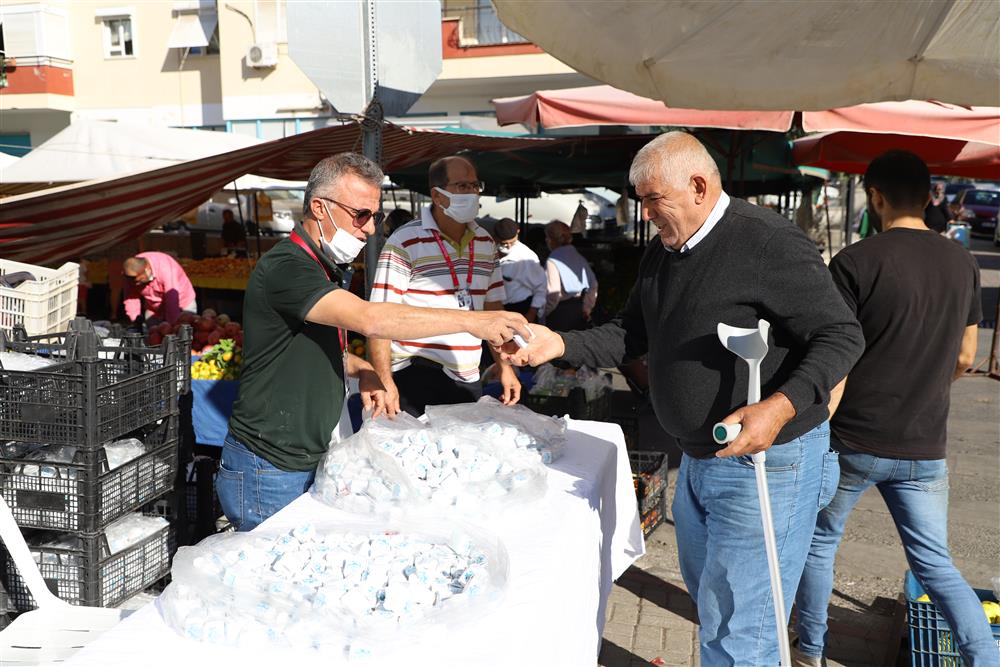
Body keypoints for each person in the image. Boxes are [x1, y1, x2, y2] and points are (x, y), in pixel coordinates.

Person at [501, 131, 864, 665]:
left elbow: (842, 335)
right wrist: (558, 343)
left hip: (765, 460)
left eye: (653, 199)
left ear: (698, 186)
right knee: (714, 608)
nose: (645, 213)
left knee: (746, 628)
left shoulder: (766, 241)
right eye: (640, 200)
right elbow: (632, 333)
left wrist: (779, 406)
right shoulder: (663, 251)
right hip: (697, 458)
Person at [219, 153, 529, 531]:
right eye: (360, 215)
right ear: (319, 207)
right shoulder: (288, 266)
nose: (369, 229)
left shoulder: (322, 267)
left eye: (375, 216)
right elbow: (372, 317)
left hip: (297, 457)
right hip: (268, 465)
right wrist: (473, 321)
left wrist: (361, 367)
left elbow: (304, 344)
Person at [793, 151, 995, 667]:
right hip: (925, 444)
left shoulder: (856, 262)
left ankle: (810, 652)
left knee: (820, 544)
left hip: (853, 440)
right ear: (930, 196)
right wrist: (926, 385)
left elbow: (833, 361)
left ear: (875, 197)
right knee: (936, 566)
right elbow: (968, 357)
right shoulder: (963, 263)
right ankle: (984, 660)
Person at [369, 156, 521, 418]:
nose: (472, 193)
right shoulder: (404, 241)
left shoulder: (486, 243)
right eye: (462, 186)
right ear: (438, 196)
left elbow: (493, 309)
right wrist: (384, 381)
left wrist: (504, 366)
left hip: (467, 375)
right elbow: (378, 318)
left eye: (475, 185)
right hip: (414, 373)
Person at [543, 220, 598, 331]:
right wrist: (587, 308)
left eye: (547, 237)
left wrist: (542, 313)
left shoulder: (552, 261)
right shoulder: (578, 256)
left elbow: (553, 294)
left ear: (551, 239)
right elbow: (593, 284)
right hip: (578, 309)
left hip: (559, 313)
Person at [492, 218, 547, 323]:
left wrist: (531, 314)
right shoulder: (489, 251)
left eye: (512, 243)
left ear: (518, 232)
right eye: (504, 243)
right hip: (496, 309)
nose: (508, 246)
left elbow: (541, 287)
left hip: (520, 309)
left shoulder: (527, 257)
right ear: (496, 238)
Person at [122, 252, 197, 325]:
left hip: (181, 304)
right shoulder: (130, 273)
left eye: (138, 281)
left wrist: (172, 326)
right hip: (155, 308)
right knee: (152, 333)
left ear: (147, 269)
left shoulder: (165, 267)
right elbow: (131, 299)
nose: (136, 284)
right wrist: (135, 321)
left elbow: (172, 299)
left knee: (184, 333)